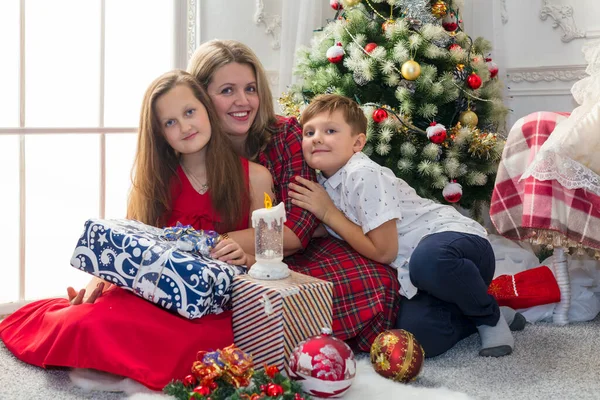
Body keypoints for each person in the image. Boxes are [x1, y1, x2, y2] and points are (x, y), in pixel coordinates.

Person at [0, 70, 274, 389]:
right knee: (86, 322)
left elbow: (271, 264)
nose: (184, 127)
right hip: (153, 296)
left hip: (214, 307)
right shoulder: (155, 183)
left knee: (205, 348)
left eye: (189, 112)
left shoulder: (256, 178)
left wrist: (244, 257)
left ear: (206, 109)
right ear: (160, 134)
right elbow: (128, 252)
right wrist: (95, 285)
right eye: (170, 122)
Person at [187, 39, 401, 352]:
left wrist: (206, 243)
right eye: (227, 90)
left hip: (285, 255)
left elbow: (295, 233)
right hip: (227, 259)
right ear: (202, 97)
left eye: (250, 88)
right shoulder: (189, 142)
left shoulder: (285, 135)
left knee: (375, 277)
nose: (243, 101)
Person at [288, 94, 525, 357]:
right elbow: (321, 230)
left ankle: (488, 317)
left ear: (358, 142)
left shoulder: (363, 174)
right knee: (418, 336)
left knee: (429, 260)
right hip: (417, 277)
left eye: (330, 131)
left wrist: (327, 213)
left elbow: (384, 252)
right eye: (309, 132)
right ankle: (477, 310)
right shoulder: (324, 188)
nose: (317, 138)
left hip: (457, 246)